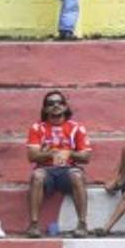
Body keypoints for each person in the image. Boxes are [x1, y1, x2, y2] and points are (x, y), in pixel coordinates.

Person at [26, 90, 91, 238]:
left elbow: (86, 157)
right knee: (37, 176)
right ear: (45, 109)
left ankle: (82, 224)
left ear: (65, 106)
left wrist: (69, 153)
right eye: (50, 103)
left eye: (59, 102)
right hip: (46, 169)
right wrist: (51, 154)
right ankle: (34, 224)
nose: (56, 106)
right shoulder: (37, 128)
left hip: (68, 169)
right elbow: (31, 156)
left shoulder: (76, 127)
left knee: (77, 175)